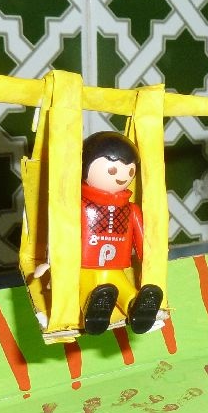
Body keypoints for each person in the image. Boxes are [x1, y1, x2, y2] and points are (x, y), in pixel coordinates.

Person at [78, 131, 163, 335]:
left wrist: (152, 258)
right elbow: (61, 235)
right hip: (82, 267)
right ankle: (93, 312)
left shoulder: (130, 210)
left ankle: (136, 307)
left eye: (129, 171)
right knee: (87, 288)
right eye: (113, 169)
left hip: (115, 268)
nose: (122, 177)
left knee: (124, 288)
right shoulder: (77, 206)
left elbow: (143, 241)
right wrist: (51, 261)